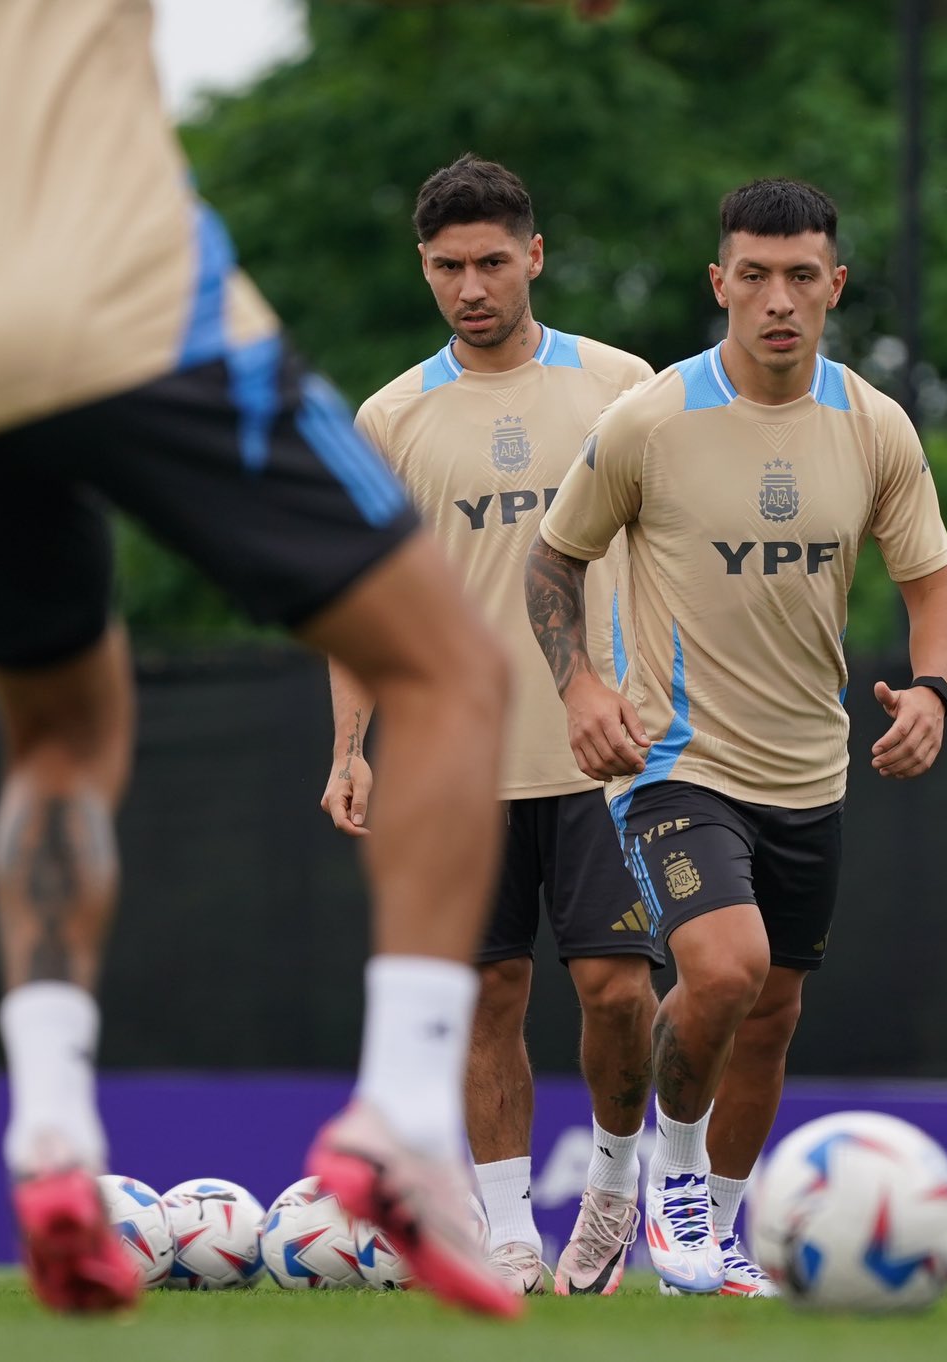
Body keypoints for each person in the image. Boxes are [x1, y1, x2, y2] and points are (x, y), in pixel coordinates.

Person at [0, 0, 606, 1318]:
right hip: (140, 315)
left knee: (54, 740)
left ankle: (51, 1137)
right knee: (454, 669)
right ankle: (395, 1119)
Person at [525, 179, 947, 1296]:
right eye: (755, 276)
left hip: (808, 768)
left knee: (771, 1014)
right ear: (718, 283)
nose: (778, 299)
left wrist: (931, 691)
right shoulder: (650, 420)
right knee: (723, 969)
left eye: (801, 276)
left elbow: (937, 587)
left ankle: (716, 1234)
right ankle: (663, 1186)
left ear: (834, 285)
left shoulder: (872, 424)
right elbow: (551, 561)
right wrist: (578, 685)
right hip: (676, 762)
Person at [328, 155, 658, 1297]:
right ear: (424, 271)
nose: (469, 285)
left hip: (605, 752)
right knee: (488, 999)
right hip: (453, 761)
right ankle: (509, 1231)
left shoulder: (622, 387)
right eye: (445, 267)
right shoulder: (391, 415)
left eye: (488, 261)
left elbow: (677, 558)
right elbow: (364, 603)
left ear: (533, 255)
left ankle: (613, 1195)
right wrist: (349, 748)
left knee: (619, 990)